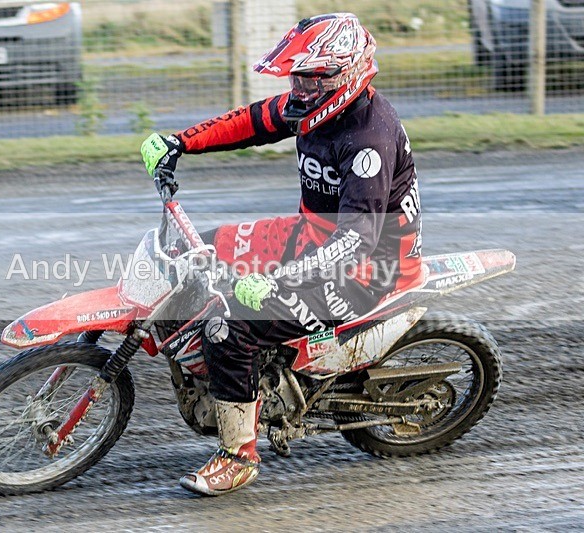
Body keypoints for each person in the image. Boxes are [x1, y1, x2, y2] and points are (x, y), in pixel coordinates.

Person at [140, 13, 423, 496]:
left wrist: (278, 282)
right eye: (297, 76)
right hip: (313, 237)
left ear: (348, 74)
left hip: (366, 270)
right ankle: (235, 376)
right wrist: (180, 141)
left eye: (313, 78)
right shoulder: (314, 107)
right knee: (191, 250)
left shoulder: (367, 141)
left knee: (227, 327)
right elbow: (253, 121)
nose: (301, 88)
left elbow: (356, 241)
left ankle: (238, 455)